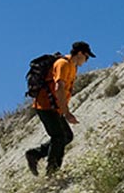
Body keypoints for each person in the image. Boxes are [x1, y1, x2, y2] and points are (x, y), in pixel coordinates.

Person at [25, 41, 95, 176]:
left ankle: (34, 154)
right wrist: (66, 113)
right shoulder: (62, 64)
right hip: (45, 106)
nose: (86, 60)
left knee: (67, 136)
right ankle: (52, 172)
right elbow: (59, 88)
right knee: (58, 137)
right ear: (80, 53)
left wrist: (63, 110)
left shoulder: (72, 67)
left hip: (54, 108)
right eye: (86, 57)